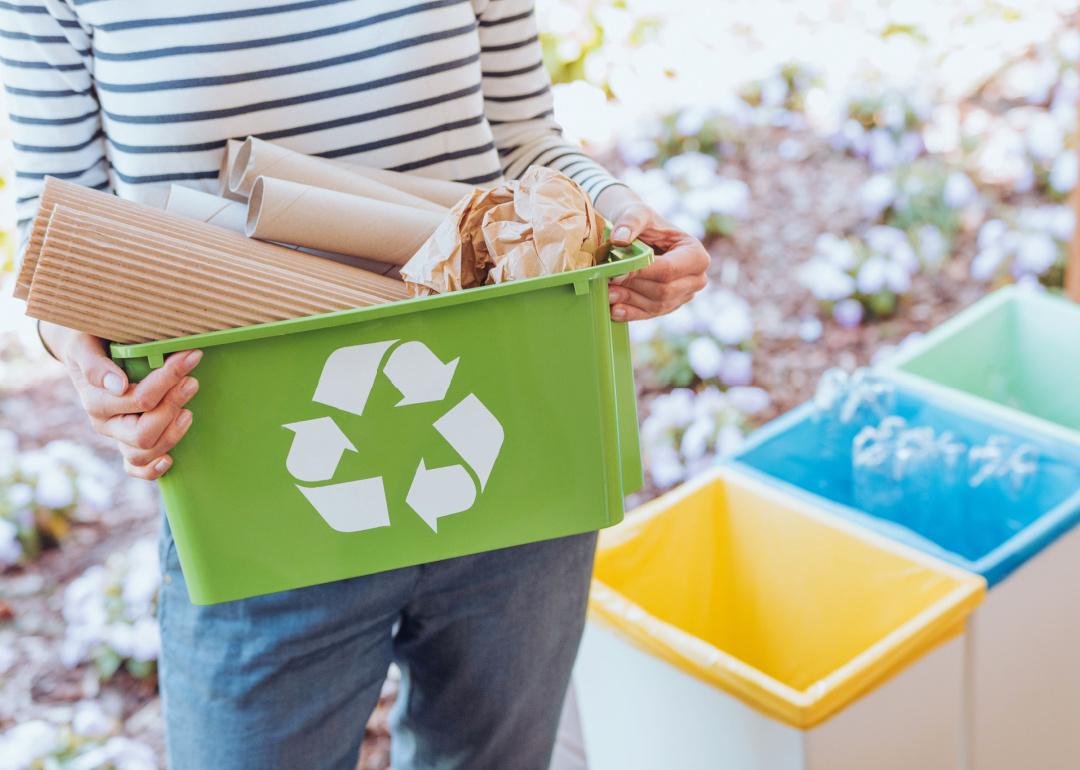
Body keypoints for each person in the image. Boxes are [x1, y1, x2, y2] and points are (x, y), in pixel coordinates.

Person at [1, 2, 708, 767]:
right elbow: (56, 225)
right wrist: (88, 364)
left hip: (508, 434)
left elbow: (524, 138)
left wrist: (621, 217)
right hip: (249, 478)